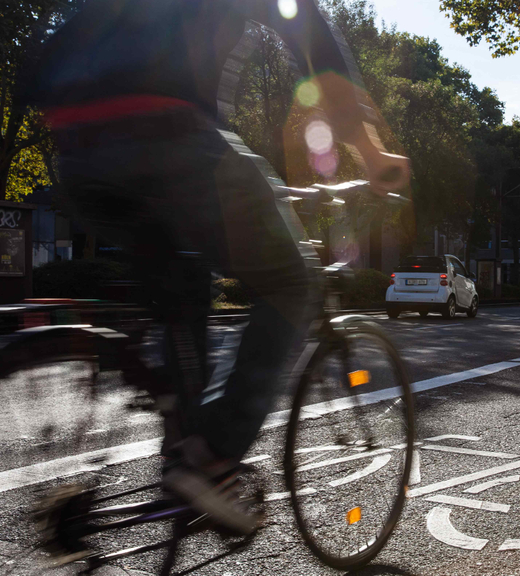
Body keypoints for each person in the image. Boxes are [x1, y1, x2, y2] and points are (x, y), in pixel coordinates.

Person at [22, 0, 409, 536]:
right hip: (168, 133)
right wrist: (370, 150)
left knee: (181, 289)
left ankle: (181, 459)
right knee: (293, 281)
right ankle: (213, 459)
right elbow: (310, 38)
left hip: (75, 147)